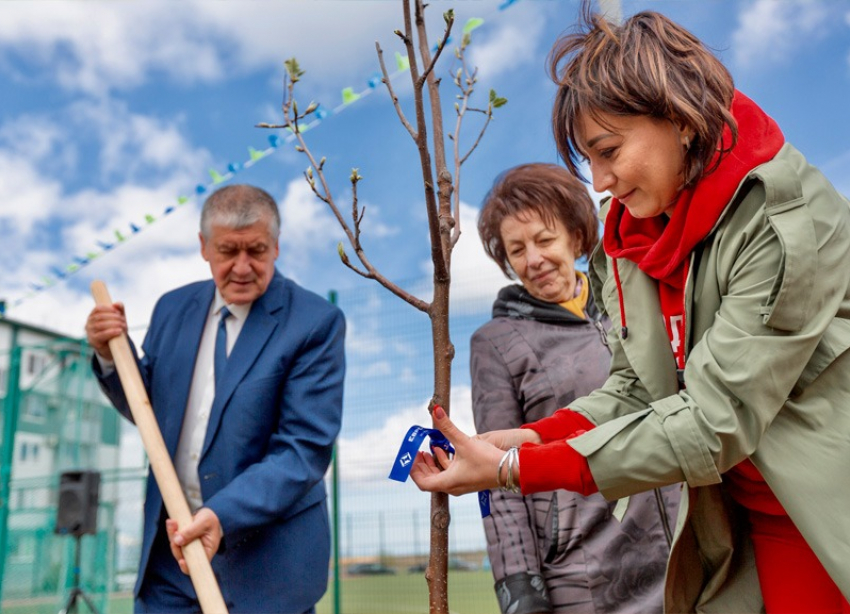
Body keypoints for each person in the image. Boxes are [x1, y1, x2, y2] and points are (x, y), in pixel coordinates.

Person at [411, 6, 850, 613]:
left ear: (681, 118)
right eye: (587, 159)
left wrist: (515, 468)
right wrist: (529, 438)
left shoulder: (781, 225)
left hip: (827, 514)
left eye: (609, 150)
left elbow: (713, 421)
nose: (599, 181)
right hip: (740, 518)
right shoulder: (636, 241)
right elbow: (635, 388)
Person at [85, 184, 345, 614]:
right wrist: (110, 354)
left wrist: (221, 514)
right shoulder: (172, 309)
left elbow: (303, 449)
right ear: (204, 247)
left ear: (276, 246)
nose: (242, 267)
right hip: (171, 563)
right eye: (228, 251)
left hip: (268, 569)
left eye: (256, 251)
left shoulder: (314, 322)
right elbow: (150, 409)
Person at [472, 162, 678, 614]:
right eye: (517, 250)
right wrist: (520, 592)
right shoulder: (497, 343)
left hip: (686, 555)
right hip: (586, 577)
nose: (533, 259)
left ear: (577, 236)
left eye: (544, 240)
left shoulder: (629, 304)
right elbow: (497, 472)